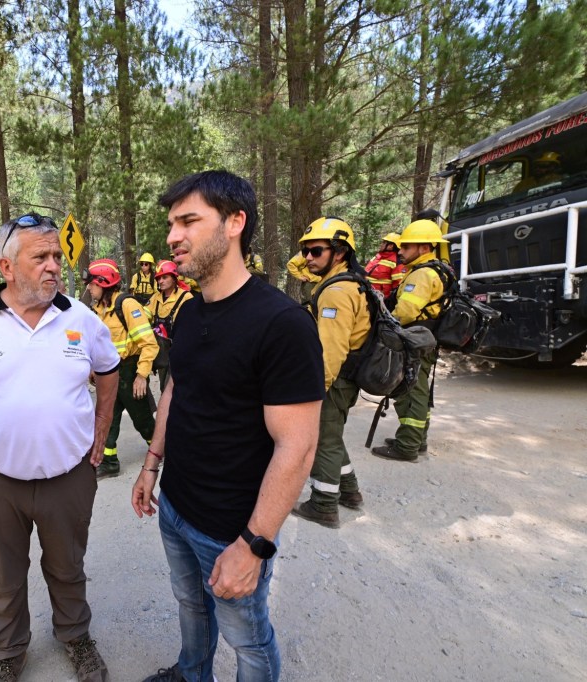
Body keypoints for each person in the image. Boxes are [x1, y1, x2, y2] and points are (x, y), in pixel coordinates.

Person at [131, 170, 323, 682]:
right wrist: (152, 465)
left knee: (247, 638)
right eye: (172, 223)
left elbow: (298, 447)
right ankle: (193, 673)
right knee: (190, 606)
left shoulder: (282, 324)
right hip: (175, 506)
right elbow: (176, 389)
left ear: (235, 222)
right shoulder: (190, 312)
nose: (173, 236)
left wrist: (254, 545)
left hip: (232, 529)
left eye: (189, 220)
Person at [0, 213, 120, 682]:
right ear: (7, 266)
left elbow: (109, 368)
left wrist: (102, 429)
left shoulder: (80, 316)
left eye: (57, 256)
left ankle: (76, 637)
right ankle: (9, 649)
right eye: (40, 257)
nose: (54, 266)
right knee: (3, 576)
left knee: (67, 567)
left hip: (68, 476)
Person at [290, 218, 371, 529]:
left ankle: (324, 504)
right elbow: (295, 265)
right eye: (305, 251)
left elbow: (331, 350)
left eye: (316, 251)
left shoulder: (336, 293)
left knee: (323, 438)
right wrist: (311, 250)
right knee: (333, 435)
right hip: (347, 377)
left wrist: (315, 389)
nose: (308, 258)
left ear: (339, 253)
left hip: (335, 379)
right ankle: (349, 492)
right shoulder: (348, 281)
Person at [371, 219, 449, 462]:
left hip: (415, 338)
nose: (400, 251)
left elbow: (405, 311)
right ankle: (417, 439)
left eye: (406, 247)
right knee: (420, 388)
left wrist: (384, 327)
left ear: (424, 248)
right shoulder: (437, 268)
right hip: (425, 337)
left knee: (411, 390)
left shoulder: (423, 274)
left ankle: (407, 446)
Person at [85, 258, 159, 479]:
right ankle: (109, 461)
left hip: (129, 370)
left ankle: (160, 449)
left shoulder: (127, 305)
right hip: (108, 373)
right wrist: (92, 369)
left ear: (104, 282)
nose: (89, 287)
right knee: (107, 416)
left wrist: (141, 376)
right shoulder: (96, 309)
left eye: (92, 283)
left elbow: (149, 343)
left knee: (142, 419)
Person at [146, 259, 193, 392]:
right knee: (164, 387)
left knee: (176, 387)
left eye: (164, 277)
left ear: (174, 278)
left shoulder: (186, 297)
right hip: (162, 352)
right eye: (159, 278)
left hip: (180, 350)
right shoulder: (155, 298)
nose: (160, 281)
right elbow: (144, 317)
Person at [364, 232, 405, 297]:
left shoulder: (396, 262)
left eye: (384, 242)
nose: (381, 244)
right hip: (367, 292)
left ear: (391, 246)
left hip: (381, 298)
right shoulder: (378, 256)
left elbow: (398, 284)